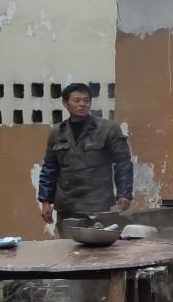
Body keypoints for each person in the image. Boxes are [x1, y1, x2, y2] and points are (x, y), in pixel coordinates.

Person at [38, 83, 134, 228]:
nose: (82, 104)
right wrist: (45, 201)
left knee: (99, 240)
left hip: (98, 203)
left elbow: (123, 163)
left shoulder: (107, 129)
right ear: (65, 103)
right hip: (67, 205)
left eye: (86, 100)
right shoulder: (57, 132)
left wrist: (124, 194)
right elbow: (50, 168)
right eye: (77, 100)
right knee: (68, 241)